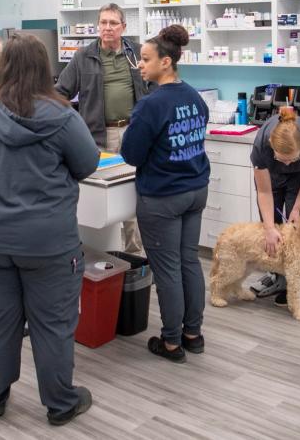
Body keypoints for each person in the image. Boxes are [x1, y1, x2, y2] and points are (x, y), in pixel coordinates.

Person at [0, 34, 99, 426]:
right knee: (52, 324)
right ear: (43, 68)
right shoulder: (62, 116)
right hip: (48, 242)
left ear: (4, 66)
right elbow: (87, 164)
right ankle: (59, 402)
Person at [120, 25, 209, 363]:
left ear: (166, 62)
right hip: (195, 190)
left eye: (145, 59)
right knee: (189, 262)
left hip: (163, 197)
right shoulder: (194, 97)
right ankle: (193, 333)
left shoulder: (152, 104)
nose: (140, 66)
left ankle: (171, 341)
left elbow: (131, 155)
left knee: (168, 269)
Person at [56, 3, 150, 253]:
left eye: (113, 23)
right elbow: (60, 93)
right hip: (97, 135)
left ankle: (134, 256)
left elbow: (155, 88)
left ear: (123, 27)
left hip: (133, 132)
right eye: (103, 23)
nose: (107, 28)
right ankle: (101, 255)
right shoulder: (83, 56)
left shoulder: (138, 53)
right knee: (100, 195)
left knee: (133, 192)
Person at [249, 105, 300, 306]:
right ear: (271, 147)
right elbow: (264, 192)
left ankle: (292, 281)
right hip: (270, 179)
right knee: (271, 230)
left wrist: (298, 207)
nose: (287, 164)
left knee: (296, 232)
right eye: (282, 159)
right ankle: (276, 276)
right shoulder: (261, 147)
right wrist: (269, 228)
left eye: (292, 159)